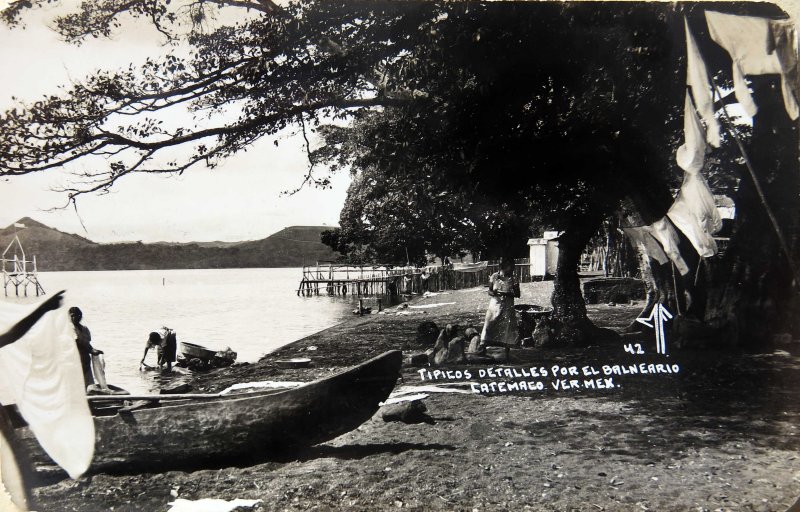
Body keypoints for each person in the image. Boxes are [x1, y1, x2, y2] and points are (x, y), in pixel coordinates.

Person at [479, 258, 521, 352]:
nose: (513, 268)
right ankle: (483, 348)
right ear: (505, 267)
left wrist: (506, 294)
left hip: (508, 306)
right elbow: (489, 291)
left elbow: (518, 294)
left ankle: (506, 352)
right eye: (511, 266)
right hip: (495, 305)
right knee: (490, 323)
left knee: (507, 327)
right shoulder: (494, 277)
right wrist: (494, 293)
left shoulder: (513, 279)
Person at [69, 306, 103, 387]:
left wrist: (93, 350)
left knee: (88, 384)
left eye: (77, 315)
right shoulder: (69, 328)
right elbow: (77, 341)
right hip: (74, 360)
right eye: (72, 315)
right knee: (76, 384)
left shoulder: (85, 329)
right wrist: (91, 350)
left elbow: (87, 343)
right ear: (69, 317)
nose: (75, 317)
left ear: (80, 316)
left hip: (85, 361)